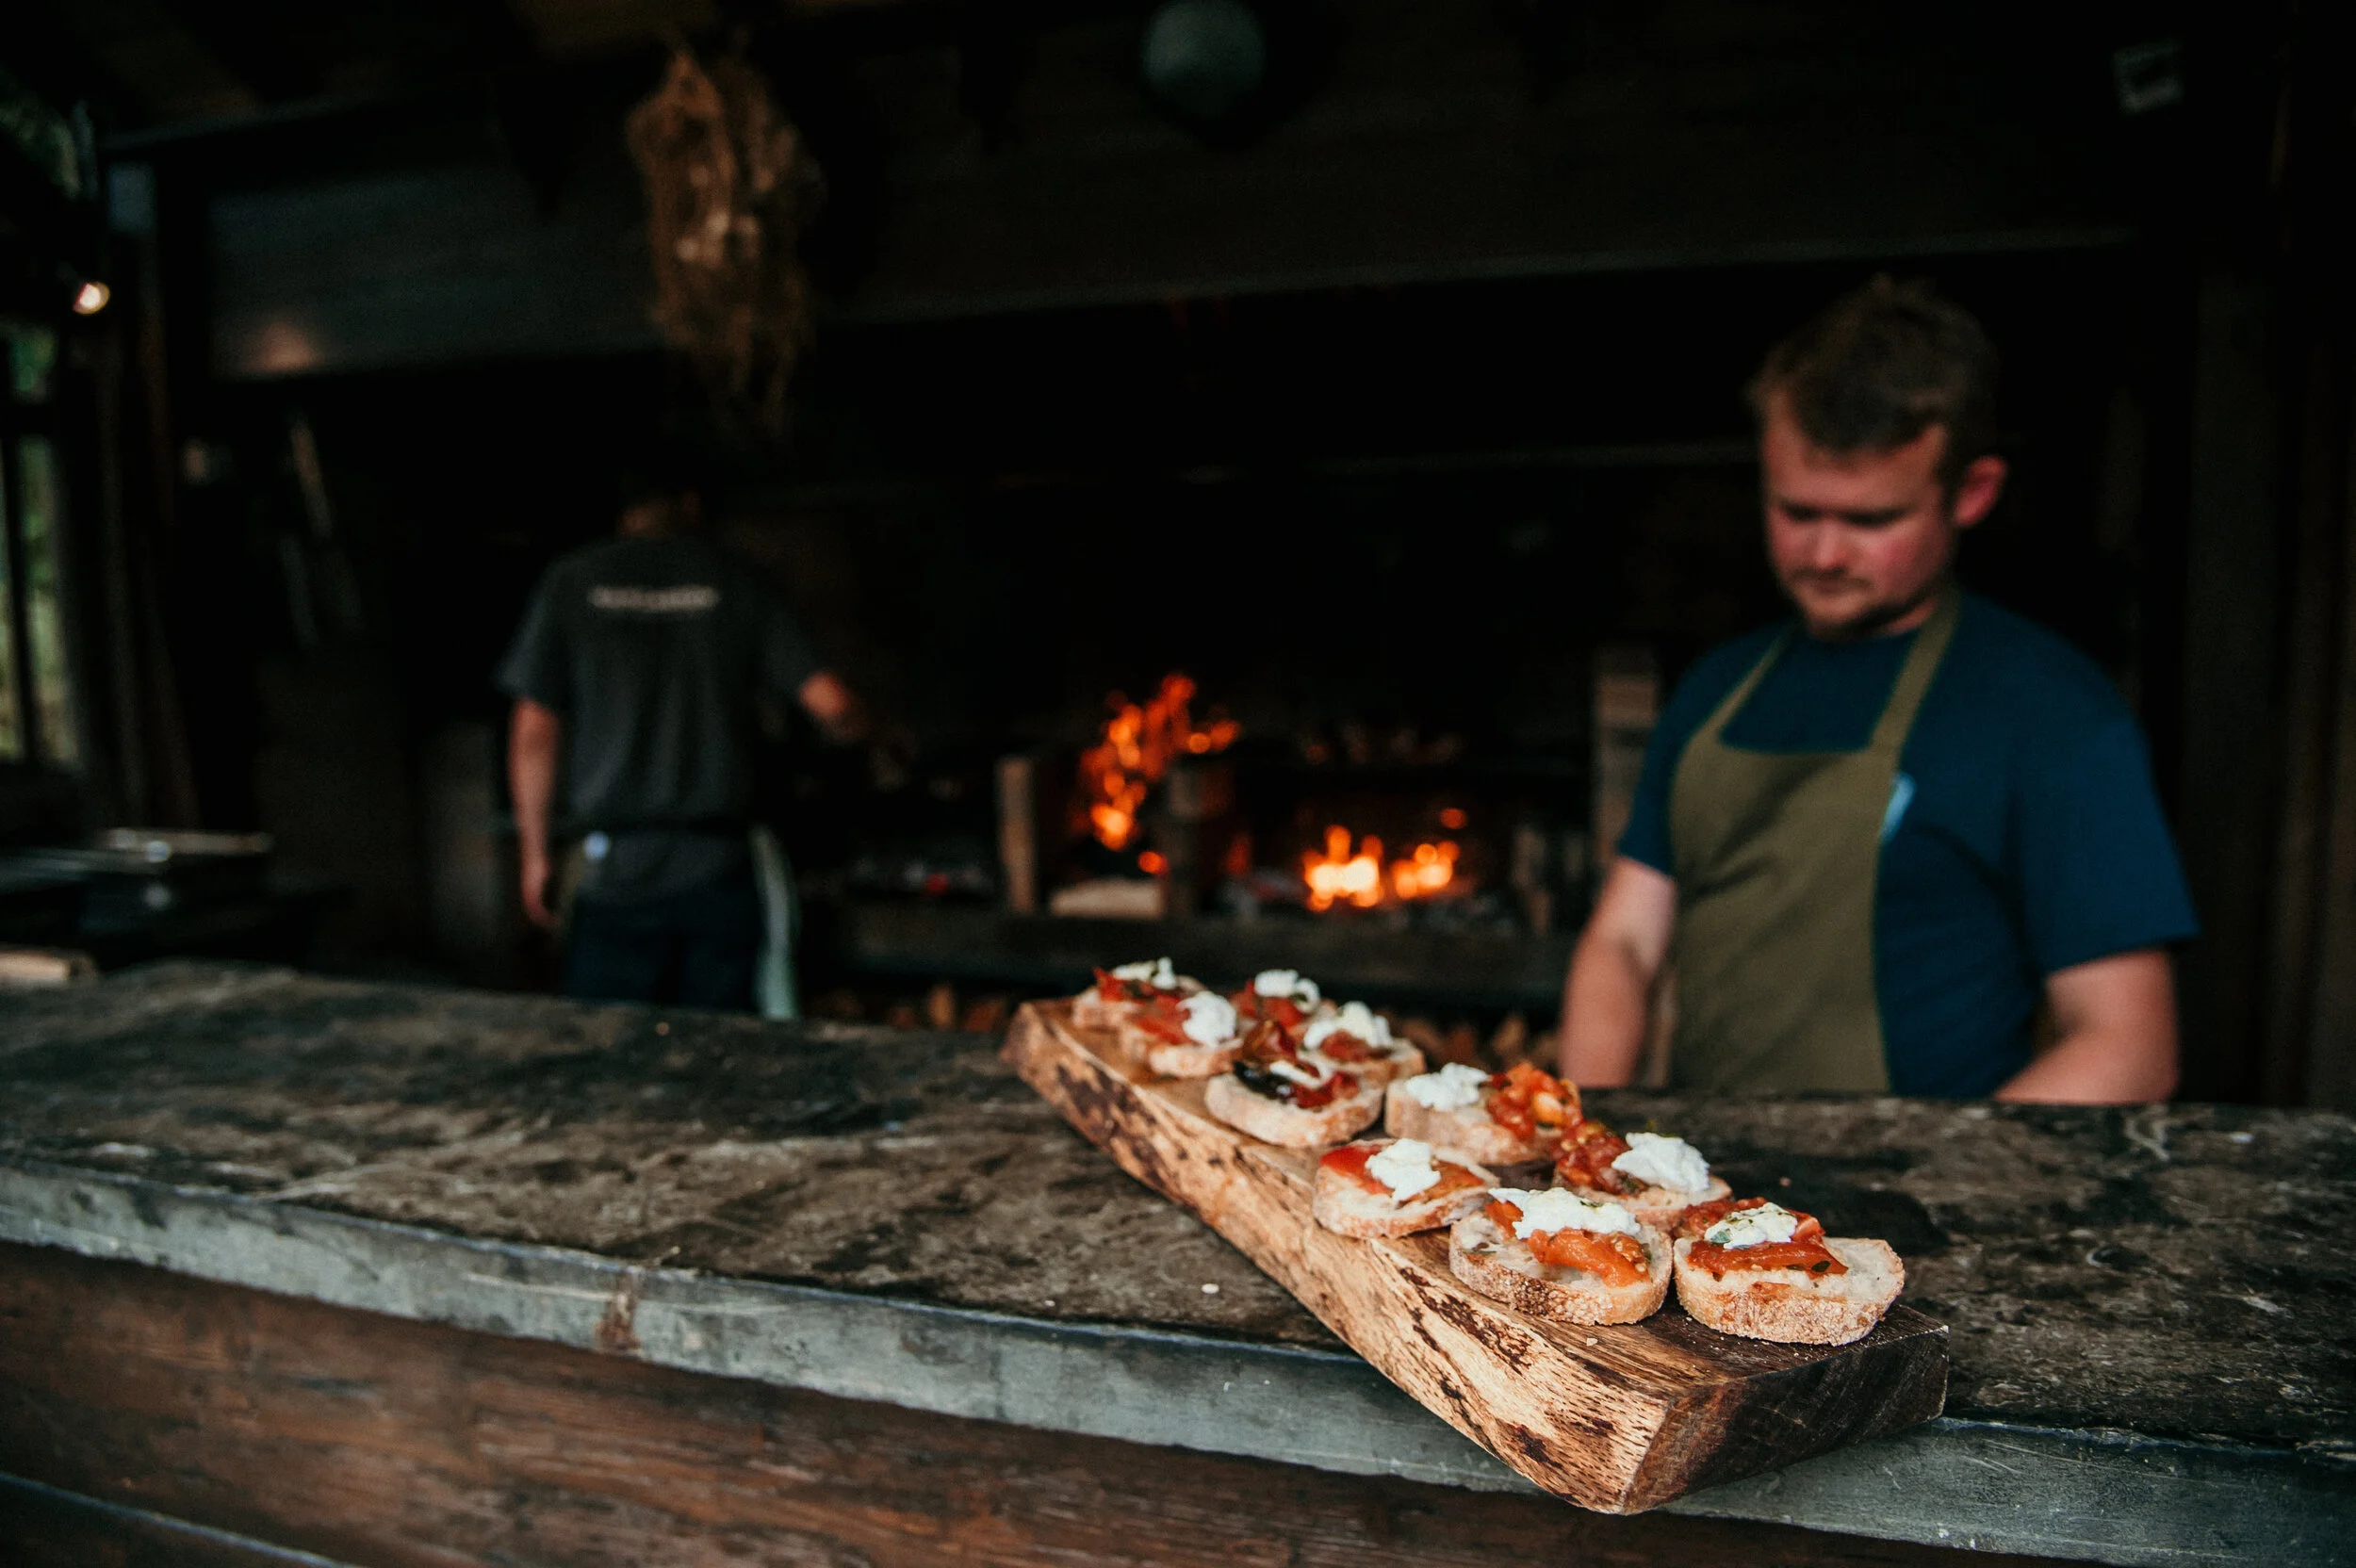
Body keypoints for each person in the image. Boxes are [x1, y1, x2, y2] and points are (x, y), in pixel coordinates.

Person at [1560, 278, 2195, 1104]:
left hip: (1926, 1201)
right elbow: (1625, 943)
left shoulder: (2052, 714)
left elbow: (2128, 1045)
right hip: (1710, 1198)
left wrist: (1937, 1189)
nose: (1824, 553)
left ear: (1971, 494)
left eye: (1870, 521)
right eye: (1796, 510)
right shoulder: (1719, 689)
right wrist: (1582, 1138)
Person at [499, 474, 865, 1010]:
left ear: (624, 510)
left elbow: (533, 731)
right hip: (718, 868)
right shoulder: (736, 580)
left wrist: (534, 855)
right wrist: (879, 739)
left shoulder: (572, 581)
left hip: (613, 869)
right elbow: (834, 705)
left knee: (610, 1051)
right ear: (692, 503)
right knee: (718, 1056)